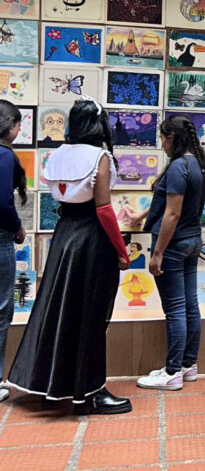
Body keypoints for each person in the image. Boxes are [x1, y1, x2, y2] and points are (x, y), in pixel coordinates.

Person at [7, 99, 131, 414]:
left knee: (60, 309)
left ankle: (57, 381)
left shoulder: (57, 155)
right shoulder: (100, 158)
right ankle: (90, 390)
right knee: (92, 314)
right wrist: (121, 249)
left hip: (65, 236)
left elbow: (59, 198)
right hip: (91, 239)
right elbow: (104, 209)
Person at [133, 115, 205, 390]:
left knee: (175, 309)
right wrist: (142, 215)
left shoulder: (179, 167)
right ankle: (189, 365)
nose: (162, 145)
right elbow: (169, 202)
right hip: (192, 241)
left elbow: (172, 213)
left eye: (163, 139)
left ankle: (172, 371)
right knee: (190, 305)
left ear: (173, 138)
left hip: (174, 245)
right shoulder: (196, 164)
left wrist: (157, 254)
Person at [0, 100, 27, 403]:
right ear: (9, 126)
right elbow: (3, 203)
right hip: (0, 237)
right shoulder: (5, 156)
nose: (20, 130)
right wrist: (17, 227)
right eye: (19, 124)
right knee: (1, 309)